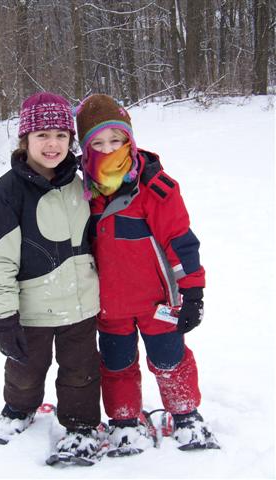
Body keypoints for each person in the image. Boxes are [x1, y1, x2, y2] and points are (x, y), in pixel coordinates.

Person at [75, 94, 219, 452]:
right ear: (86, 147)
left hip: (158, 301)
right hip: (109, 305)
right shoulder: (81, 191)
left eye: (117, 140)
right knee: (117, 364)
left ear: (130, 140)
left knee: (170, 360)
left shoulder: (156, 188)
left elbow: (181, 242)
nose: (109, 149)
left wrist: (194, 291)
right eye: (98, 142)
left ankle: (185, 413)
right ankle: (124, 420)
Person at [0, 92, 101, 461]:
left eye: (61, 135)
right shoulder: (6, 192)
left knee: (81, 371)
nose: (53, 144)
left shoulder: (85, 184)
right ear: (25, 140)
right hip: (31, 308)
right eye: (42, 135)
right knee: (24, 370)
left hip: (81, 305)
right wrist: (5, 317)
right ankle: (19, 410)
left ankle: (80, 427)